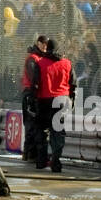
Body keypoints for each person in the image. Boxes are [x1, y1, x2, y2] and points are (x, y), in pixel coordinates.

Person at [33, 38, 76, 173]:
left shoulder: (40, 64)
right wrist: (71, 101)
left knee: (41, 131)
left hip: (44, 100)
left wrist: (32, 101)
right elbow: (74, 85)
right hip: (62, 100)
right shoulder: (67, 64)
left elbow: (35, 84)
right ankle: (56, 161)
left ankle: (41, 161)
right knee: (58, 133)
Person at [20, 35, 48, 165]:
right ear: (38, 43)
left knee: (35, 125)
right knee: (31, 125)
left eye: (47, 45)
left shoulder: (39, 58)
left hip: (35, 94)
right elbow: (33, 78)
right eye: (43, 44)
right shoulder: (33, 58)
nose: (45, 47)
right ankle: (29, 153)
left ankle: (31, 153)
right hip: (30, 94)